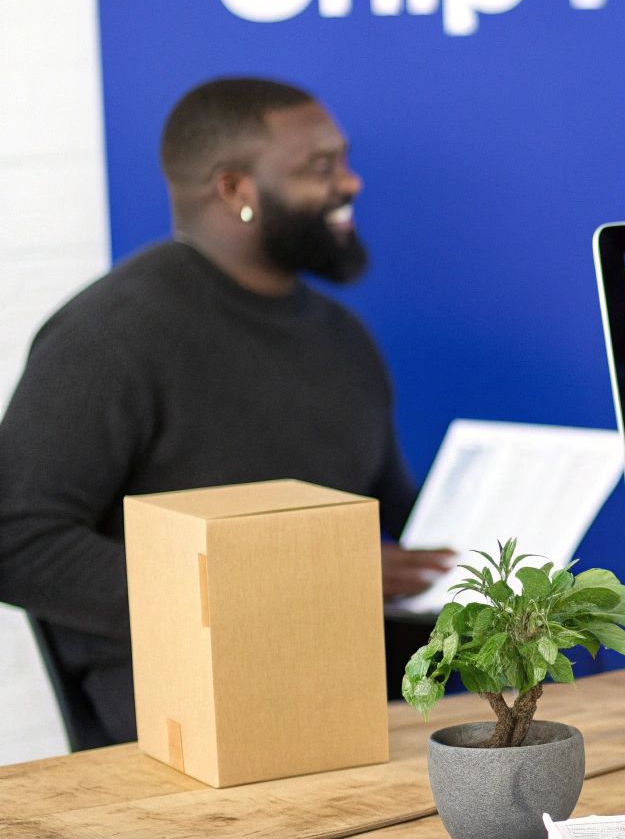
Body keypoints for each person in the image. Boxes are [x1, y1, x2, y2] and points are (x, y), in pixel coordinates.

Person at [0, 77, 455, 748]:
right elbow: (17, 541)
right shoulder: (108, 337)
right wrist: (293, 582)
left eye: (345, 161)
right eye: (321, 167)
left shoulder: (340, 336)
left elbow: (390, 518)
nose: (351, 184)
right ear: (236, 189)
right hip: (184, 739)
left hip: (362, 710)